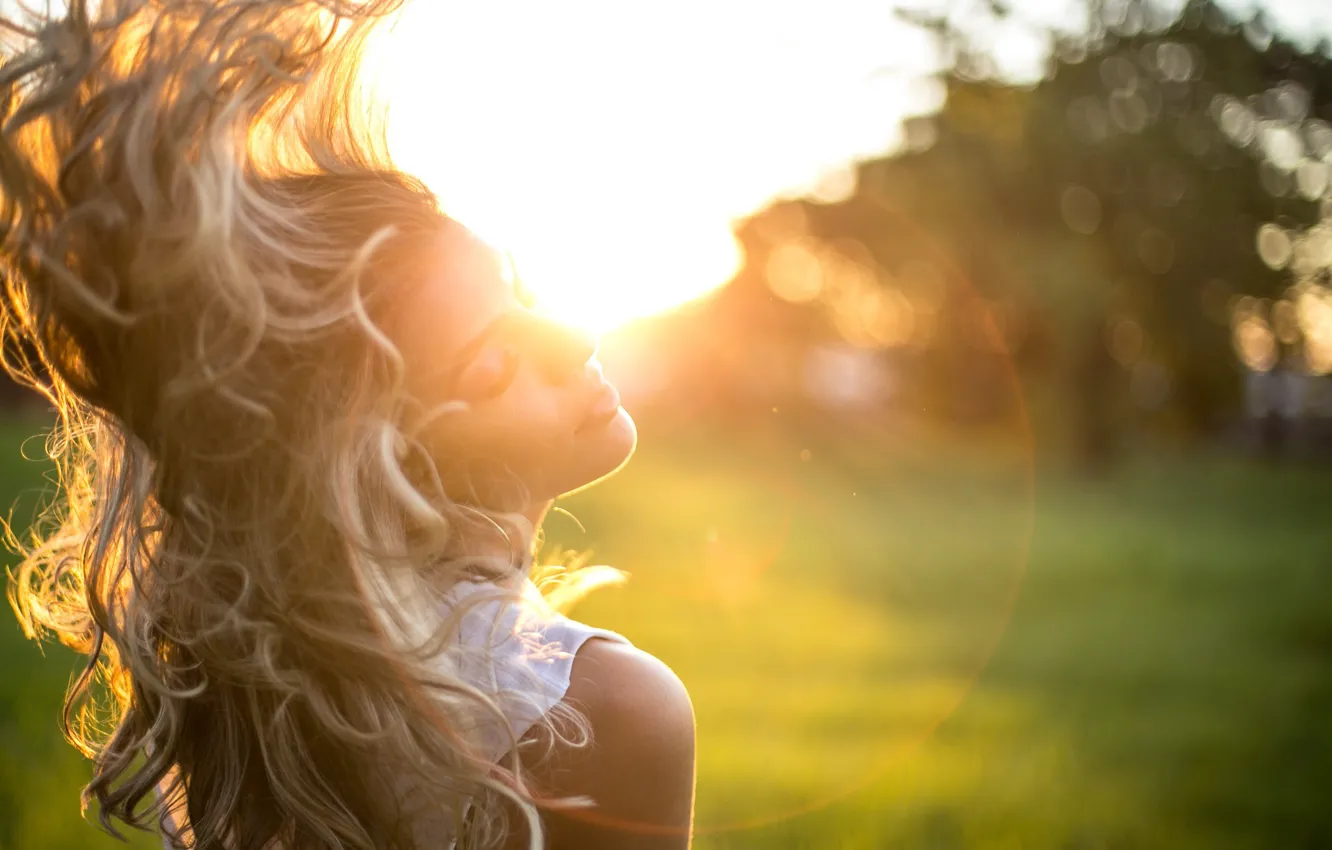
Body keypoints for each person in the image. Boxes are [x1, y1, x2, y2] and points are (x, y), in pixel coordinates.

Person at [0, 2, 695, 848]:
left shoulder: (272, 692)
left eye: (517, 289)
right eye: (492, 366)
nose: (575, 336)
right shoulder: (605, 710)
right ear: (375, 463)